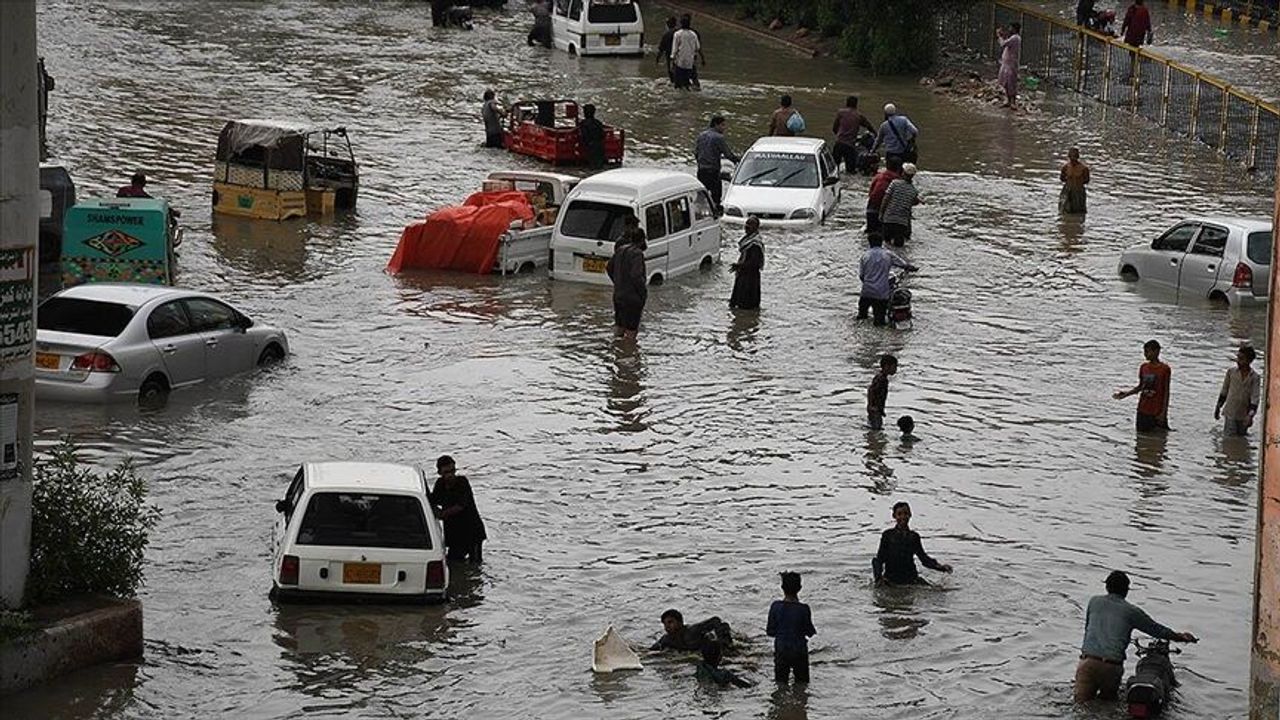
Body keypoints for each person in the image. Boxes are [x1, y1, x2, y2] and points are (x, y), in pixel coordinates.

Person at [1074, 570, 1198, 703]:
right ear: (1126, 590)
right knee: (1107, 707)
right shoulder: (1131, 612)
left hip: (1087, 663)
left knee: (1080, 706)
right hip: (1111, 667)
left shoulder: (1094, 602)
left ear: (1107, 586)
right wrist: (1180, 637)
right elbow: (1155, 629)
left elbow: (1087, 629)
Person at [872, 501, 953, 585]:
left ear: (910, 515)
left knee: (939, 592)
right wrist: (878, 579)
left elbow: (923, 558)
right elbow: (879, 559)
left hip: (911, 579)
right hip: (891, 579)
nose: (903, 517)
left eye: (906, 513)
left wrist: (940, 567)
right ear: (894, 516)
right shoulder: (887, 535)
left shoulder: (914, 537)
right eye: (899, 514)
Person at [431, 455, 487, 563]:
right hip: (454, 533)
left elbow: (460, 506)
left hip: (471, 531)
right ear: (440, 473)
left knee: (474, 564)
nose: (450, 475)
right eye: (446, 472)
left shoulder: (462, 482)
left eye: (452, 471)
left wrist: (441, 514)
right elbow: (433, 500)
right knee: (453, 562)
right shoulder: (440, 484)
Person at [767, 572, 816, 685]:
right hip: (799, 651)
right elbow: (810, 632)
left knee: (781, 683)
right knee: (802, 684)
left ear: (782, 587)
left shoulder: (775, 606)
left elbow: (770, 631)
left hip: (781, 650)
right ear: (800, 588)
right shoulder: (804, 609)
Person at [1113, 339, 1171, 432]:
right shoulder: (1143, 367)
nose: (1145, 354)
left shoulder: (1164, 369)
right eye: (1144, 352)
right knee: (1141, 439)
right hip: (1142, 409)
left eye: (1148, 352)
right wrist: (1126, 394)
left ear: (1157, 351)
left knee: (1159, 439)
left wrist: (1163, 413)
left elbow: (1166, 392)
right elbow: (1140, 387)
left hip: (1156, 411)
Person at [858, 234, 915, 327]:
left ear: (869, 243)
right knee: (879, 322)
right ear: (881, 243)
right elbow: (903, 264)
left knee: (862, 317)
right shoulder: (888, 254)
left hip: (866, 292)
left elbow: (861, 276)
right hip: (881, 293)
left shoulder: (865, 256)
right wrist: (911, 268)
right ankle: (880, 340)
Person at [605, 214, 647, 339]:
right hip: (632, 298)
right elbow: (636, 276)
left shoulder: (620, 249)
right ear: (641, 240)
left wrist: (618, 283)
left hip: (619, 295)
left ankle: (618, 352)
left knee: (619, 326)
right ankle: (629, 354)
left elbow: (609, 267)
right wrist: (642, 292)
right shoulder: (637, 254)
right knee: (631, 331)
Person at [695, 115, 739, 214]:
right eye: (723, 125)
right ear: (716, 125)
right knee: (716, 197)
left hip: (701, 170)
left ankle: (698, 214)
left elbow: (696, 153)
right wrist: (738, 161)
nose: (724, 128)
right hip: (713, 171)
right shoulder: (718, 138)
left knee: (701, 196)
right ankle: (715, 215)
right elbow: (728, 154)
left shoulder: (701, 135)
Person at [1215, 345, 1261, 436]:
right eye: (1238, 358)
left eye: (1241, 359)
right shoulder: (1231, 372)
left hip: (1244, 415)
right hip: (1230, 412)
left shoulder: (1255, 377)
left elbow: (1255, 398)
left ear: (1249, 361)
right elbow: (1224, 391)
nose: (1238, 361)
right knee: (1229, 438)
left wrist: (1250, 415)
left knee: (1241, 438)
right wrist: (1218, 407)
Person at [879, 163, 921, 248]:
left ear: (903, 173)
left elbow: (886, 199)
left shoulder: (894, 183)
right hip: (902, 223)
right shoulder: (914, 191)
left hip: (889, 219)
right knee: (899, 246)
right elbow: (911, 204)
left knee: (886, 244)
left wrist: (881, 213)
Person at [651, 609, 735, 651]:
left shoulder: (692, 631)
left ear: (680, 622)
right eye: (665, 624)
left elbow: (715, 620)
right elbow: (650, 651)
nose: (667, 627)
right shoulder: (667, 639)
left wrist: (724, 643)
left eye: (670, 622)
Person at [832, 95, 875, 173]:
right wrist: (876, 135)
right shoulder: (859, 116)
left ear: (846, 103)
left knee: (834, 168)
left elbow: (834, 128)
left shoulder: (840, 113)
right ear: (856, 105)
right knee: (851, 171)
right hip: (850, 146)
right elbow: (869, 126)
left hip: (839, 143)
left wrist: (839, 135)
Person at [730, 217, 764, 311]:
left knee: (746, 305)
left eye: (750, 225)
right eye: (746, 224)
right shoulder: (747, 240)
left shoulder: (755, 244)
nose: (747, 227)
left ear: (756, 227)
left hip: (750, 279)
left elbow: (754, 262)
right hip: (743, 275)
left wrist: (739, 266)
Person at [865, 156, 902, 235]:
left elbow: (870, 193)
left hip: (871, 208)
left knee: (870, 235)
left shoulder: (878, 176)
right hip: (886, 213)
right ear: (899, 168)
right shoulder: (899, 181)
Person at [866, 354, 900, 430]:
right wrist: (872, 406)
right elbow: (871, 390)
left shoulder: (880, 377)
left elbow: (871, 390)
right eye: (894, 367)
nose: (895, 369)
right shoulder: (882, 379)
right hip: (875, 409)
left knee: (874, 427)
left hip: (876, 409)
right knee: (876, 429)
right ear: (886, 366)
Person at [670, 16, 700, 90]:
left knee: (678, 85)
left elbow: (674, 49)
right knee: (686, 83)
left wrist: (672, 60)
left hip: (680, 62)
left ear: (681, 24)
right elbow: (697, 47)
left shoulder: (677, 34)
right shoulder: (693, 34)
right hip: (689, 63)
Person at [997, 23, 1022, 109]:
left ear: (1014, 29)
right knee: (1006, 83)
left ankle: (1013, 102)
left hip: (1011, 64)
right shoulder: (1013, 38)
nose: (1009, 29)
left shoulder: (1015, 38)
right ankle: (1008, 100)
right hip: (1007, 63)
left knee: (1011, 83)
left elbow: (1003, 44)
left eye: (1011, 27)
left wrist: (999, 36)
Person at [679, 13, 707, 90]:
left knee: (682, 78)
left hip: (681, 60)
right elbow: (699, 48)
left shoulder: (678, 33)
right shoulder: (694, 33)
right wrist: (702, 58)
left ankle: (687, 87)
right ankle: (695, 87)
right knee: (693, 76)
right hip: (691, 59)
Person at [1059, 147, 1090, 214]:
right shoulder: (1065, 167)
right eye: (1071, 158)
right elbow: (1062, 178)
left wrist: (1077, 181)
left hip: (1079, 192)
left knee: (1079, 212)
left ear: (1077, 157)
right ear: (1069, 157)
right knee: (1065, 211)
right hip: (1067, 191)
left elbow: (1086, 180)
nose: (1073, 160)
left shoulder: (1084, 168)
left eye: (1074, 158)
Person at [579, 104, 606, 170]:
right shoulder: (598, 122)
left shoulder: (583, 123)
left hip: (590, 145)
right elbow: (602, 134)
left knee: (592, 164)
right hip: (599, 145)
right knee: (599, 164)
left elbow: (584, 135)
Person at [656, 16, 678, 84]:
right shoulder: (679, 32)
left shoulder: (666, 35)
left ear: (668, 24)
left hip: (670, 57)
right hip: (680, 57)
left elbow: (661, 49)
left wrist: (658, 58)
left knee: (671, 73)